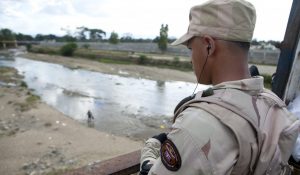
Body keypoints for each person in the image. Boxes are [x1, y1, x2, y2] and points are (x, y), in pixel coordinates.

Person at [140, 0, 300, 174]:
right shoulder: (274, 105)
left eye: (191, 48)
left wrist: (150, 152)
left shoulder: (197, 125)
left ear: (209, 46)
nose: (190, 58)